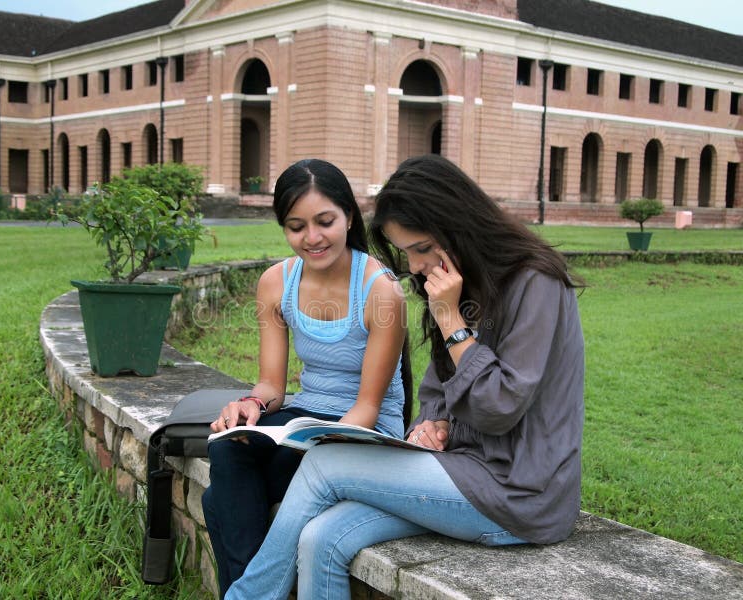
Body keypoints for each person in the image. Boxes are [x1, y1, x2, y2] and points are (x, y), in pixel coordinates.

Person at [224, 154, 585, 600]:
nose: (414, 266)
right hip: (459, 469)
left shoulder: (537, 283)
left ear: (457, 227)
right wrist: (428, 425)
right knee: (320, 538)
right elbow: (435, 390)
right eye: (407, 252)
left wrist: (452, 321)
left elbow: (499, 408)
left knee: (323, 464)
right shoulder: (461, 280)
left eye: (420, 248)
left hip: (519, 494)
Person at [202, 158, 410, 597]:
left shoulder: (381, 289)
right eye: (296, 226)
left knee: (218, 501)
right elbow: (272, 386)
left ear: (349, 217)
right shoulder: (275, 283)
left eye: (325, 221)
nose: (312, 238)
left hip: (362, 431)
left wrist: (320, 441)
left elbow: (367, 409)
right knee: (228, 447)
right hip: (304, 417)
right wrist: (250, 407)